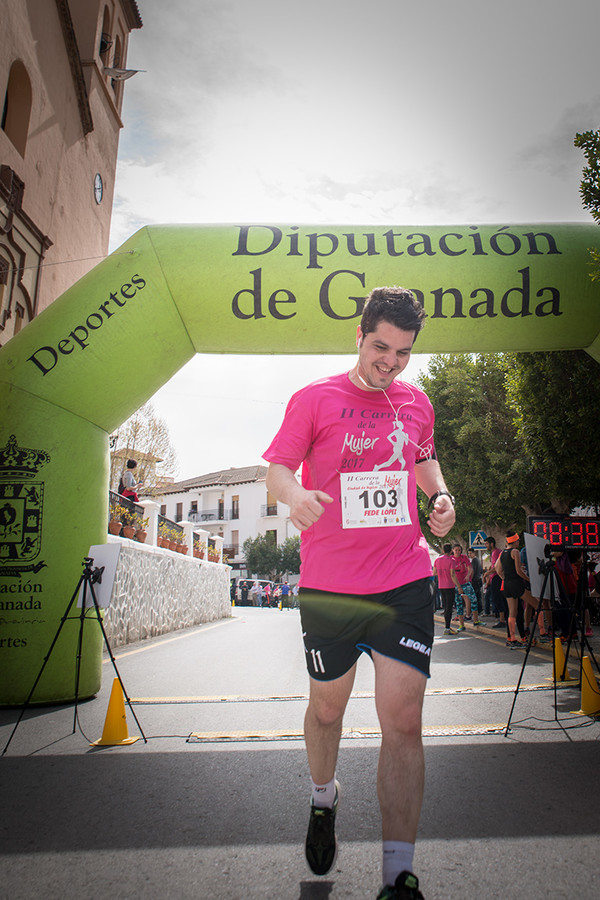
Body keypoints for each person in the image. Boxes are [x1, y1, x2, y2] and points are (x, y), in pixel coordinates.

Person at [263, 285, 455, 900]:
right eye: (381, 347)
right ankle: (324, 799)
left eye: (403, 353)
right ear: (360, 335)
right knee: (328, 710)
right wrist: (294, 497)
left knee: (403, 721)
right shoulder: (315, 399)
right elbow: (278, 469)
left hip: (404, 576)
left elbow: (423, 459)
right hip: (332, 587)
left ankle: (398, 874)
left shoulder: (416, 401)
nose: (391, 362)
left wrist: (439, 496)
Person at [495, 531, 549, 648]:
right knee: (538, 605)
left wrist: (506, 578)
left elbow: (498, 570)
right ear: (515, 541)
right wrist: (530, 580)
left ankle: (511, 638)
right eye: (518, 540)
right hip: (517, 584)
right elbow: (519, 571)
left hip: (507, 584)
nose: (519, 542)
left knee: (512, 612)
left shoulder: (502, 553)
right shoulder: (515, 552)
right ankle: (543, 633)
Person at [451, 542, 482, 630]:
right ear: (453, 551)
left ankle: (476, 620)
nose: (457, 552)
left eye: (459, 550)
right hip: (456, 584)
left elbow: (470, 568)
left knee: (473, 599)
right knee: (459, 604)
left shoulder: (464, 557)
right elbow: (451, 573)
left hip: (466, 583)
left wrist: (468, 575)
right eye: (456, 550)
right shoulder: (451, 560)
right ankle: (461, 625)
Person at [433, 544, 461, 634]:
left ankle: (447, 627)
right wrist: (459, 586)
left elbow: (434, 573)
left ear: (443, 550)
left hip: (441, 586)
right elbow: (452, 574)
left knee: (445, 606)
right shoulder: (451, 560)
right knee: (449, 607)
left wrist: (442, 574)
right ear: (451, 551)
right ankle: (447, 628)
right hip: (450, 586)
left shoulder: (437, 560)